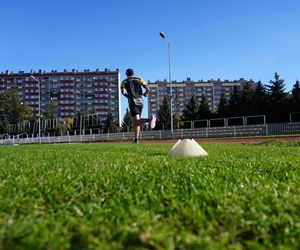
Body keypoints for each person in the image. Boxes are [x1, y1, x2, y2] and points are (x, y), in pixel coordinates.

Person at [121, 68, 156, 144]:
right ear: (133, 73)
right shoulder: (139, 79)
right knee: (137, 122)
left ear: (127, 74)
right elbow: (148, 89)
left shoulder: (124, 82)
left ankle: (149, 120)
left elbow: (123, 92)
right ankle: (136, 140)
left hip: (132, 102)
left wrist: (128, 96)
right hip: (140, 102)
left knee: (136, 121)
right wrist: (145, 94)